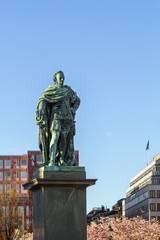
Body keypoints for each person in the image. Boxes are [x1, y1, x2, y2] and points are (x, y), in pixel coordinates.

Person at [35, 71, 80, 167]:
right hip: (56, 117)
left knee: (64, 140)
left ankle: (61, 160)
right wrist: (41, 110)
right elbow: (42, 99)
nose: (62, 79)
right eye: (60, 77)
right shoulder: (51, 90)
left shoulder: (68, 90)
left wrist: (73, 109)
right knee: (55, 136)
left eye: (63, 77)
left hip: (67, 117)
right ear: (55, 79)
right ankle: (51, 160)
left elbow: (77, 100)